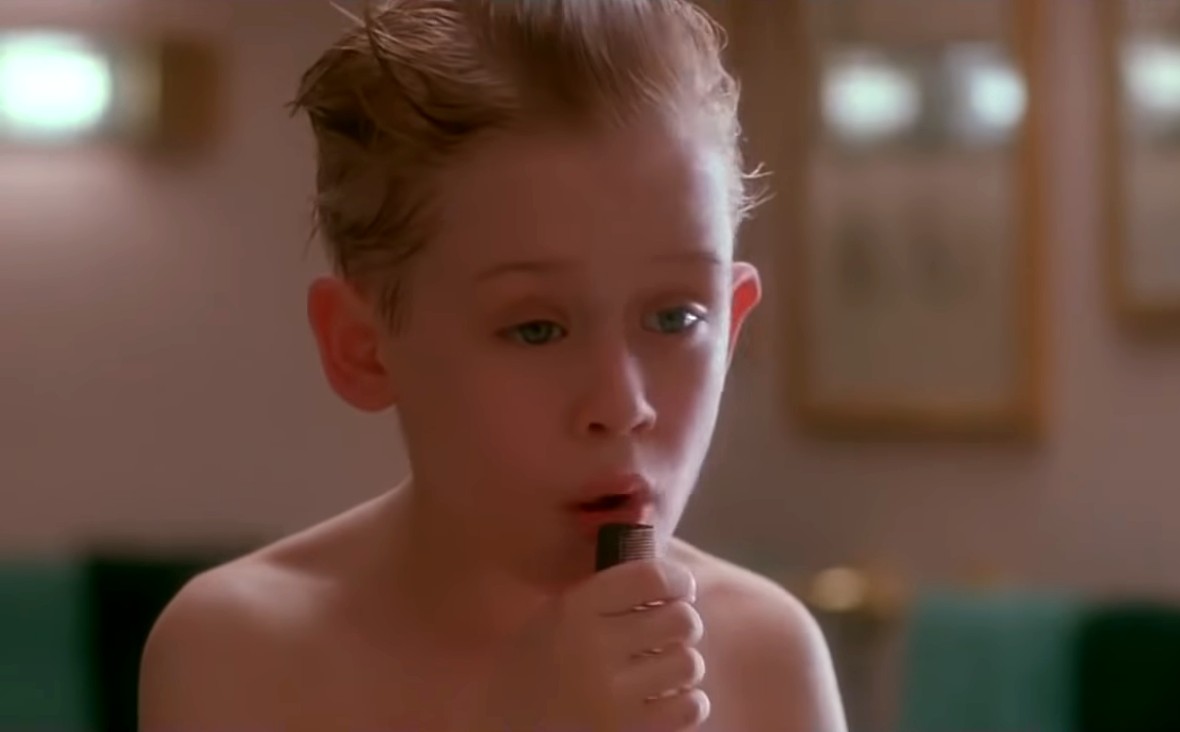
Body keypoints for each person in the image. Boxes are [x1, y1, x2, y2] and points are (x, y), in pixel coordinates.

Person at [138, 0, 848, 730]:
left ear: (731, 325)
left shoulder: (767, 655)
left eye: (677, 319)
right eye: (536, 329)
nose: (620, 404)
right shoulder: (240, 651)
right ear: (361, 347)